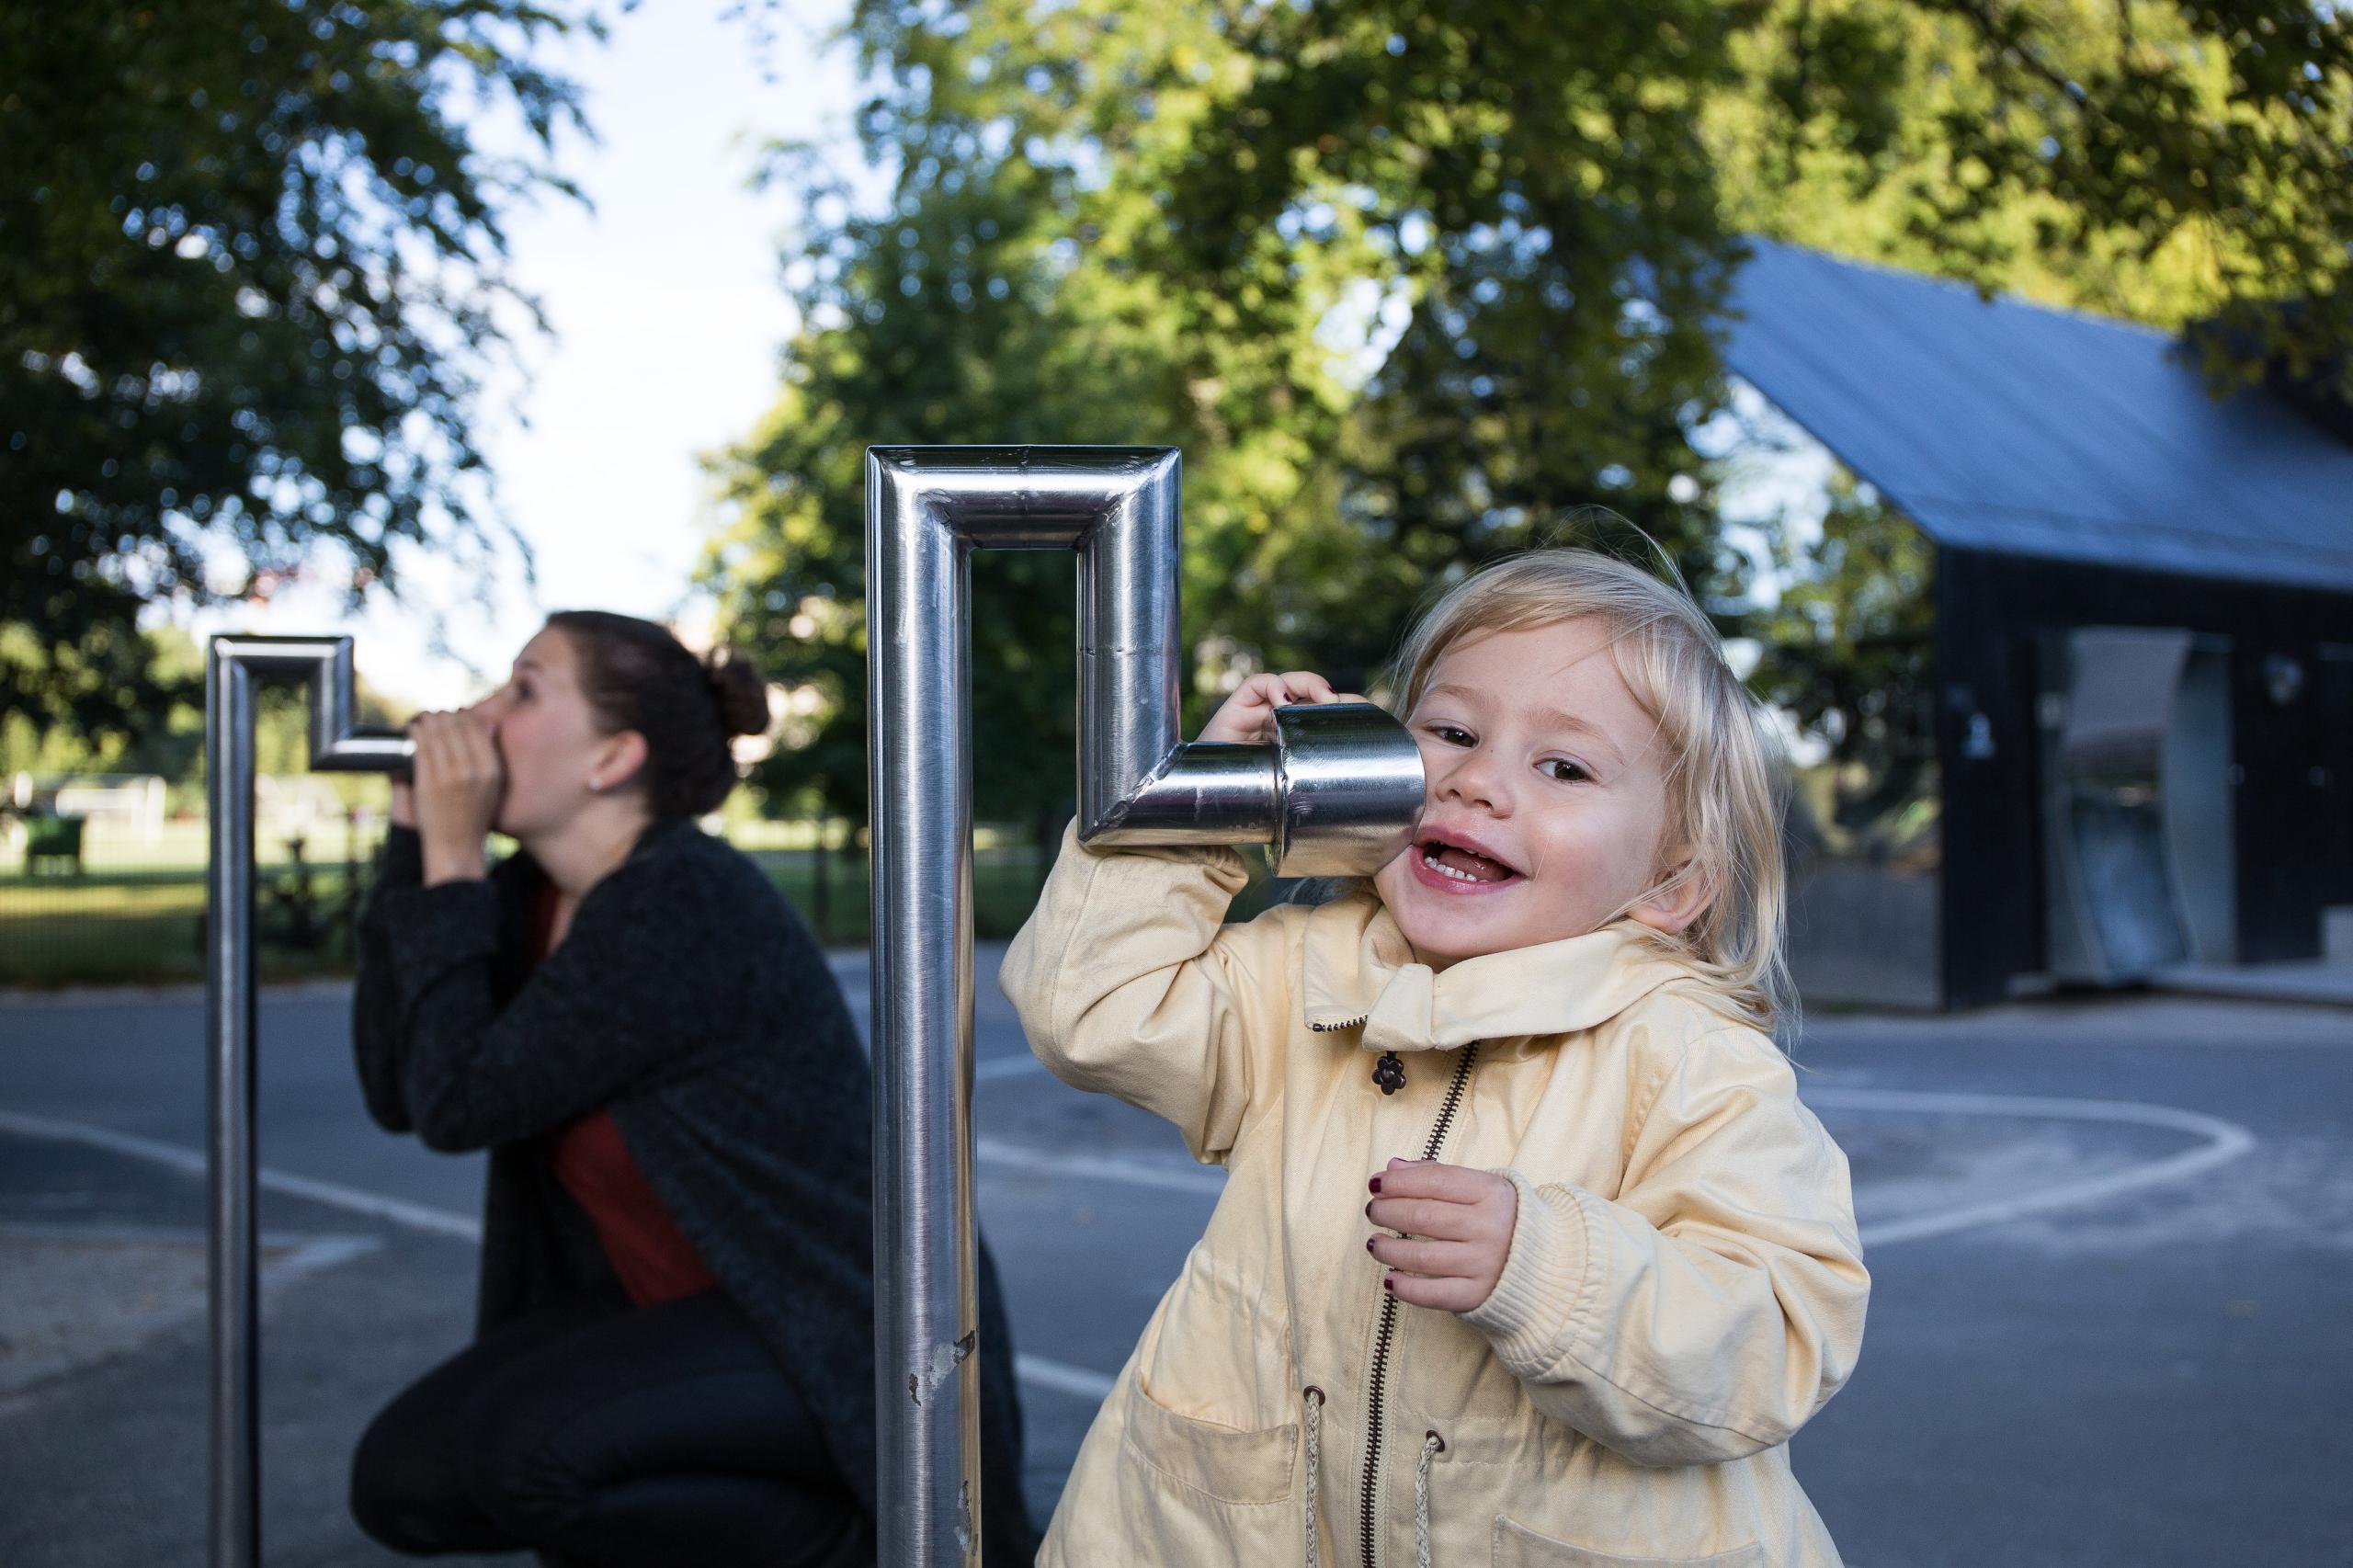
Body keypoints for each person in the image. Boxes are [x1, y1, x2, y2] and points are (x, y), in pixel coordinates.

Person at [1001, 550, 1870, 1566]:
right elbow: (1087, 1007)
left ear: (1673, 879)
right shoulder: (1305, 973)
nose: (1476, 781)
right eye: (1451, 731)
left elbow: (1771, 1340)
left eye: (1563, 767)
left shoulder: (1685, 1057)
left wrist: (1546, 1267)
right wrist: (1198, 803)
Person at [347, 610, 1035, 1568]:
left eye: (524, 688)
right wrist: (415, 843)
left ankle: (867, 1543)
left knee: (527, 1453)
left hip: (836, 1329)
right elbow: (401, 1084)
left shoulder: (681, 901)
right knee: (405, 1481)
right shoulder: (528, 899)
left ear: (612, 757)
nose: (477, 712)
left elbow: (459, 1102)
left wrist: (453, 860)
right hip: (675, 1311)